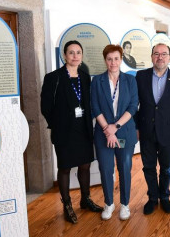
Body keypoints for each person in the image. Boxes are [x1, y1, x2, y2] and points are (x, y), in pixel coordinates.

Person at [40, 40, 103, 224]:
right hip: (64, 132)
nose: (75, 56)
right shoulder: (53, 78)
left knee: (84, 165)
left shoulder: (85, 76)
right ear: (64, 55)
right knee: (65, 167)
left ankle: (85, 199)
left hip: (83, 129)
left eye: (78, 52)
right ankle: (67, 204)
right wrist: (58, 124)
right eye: (71, 52)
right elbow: (45, 107)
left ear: (82, 55)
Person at [136, 43, 170, 215]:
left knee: (166, 168)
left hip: (168, 132)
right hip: (146, 131)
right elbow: (134, 105)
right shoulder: (140, 76)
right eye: (156, 54)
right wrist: (136, 127)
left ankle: (164, 196)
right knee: (148, 167)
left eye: (164, 54)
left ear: (169, 58)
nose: (160, 57)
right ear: (151, 57)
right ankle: (152, 198)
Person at [91, 44, 138, 221]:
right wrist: (107, 131)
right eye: (109, 59)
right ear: (105, 60)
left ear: (121, 59)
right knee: (105, 169)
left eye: (116, 58)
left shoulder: (130, 80)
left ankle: (125, 204)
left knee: (125, 168)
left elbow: (133, 107)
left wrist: (115, 127)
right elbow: (95, 107)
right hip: (103, 134)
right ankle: (109, 203)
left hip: (124, 132)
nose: (113, 62)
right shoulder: (97, 81)